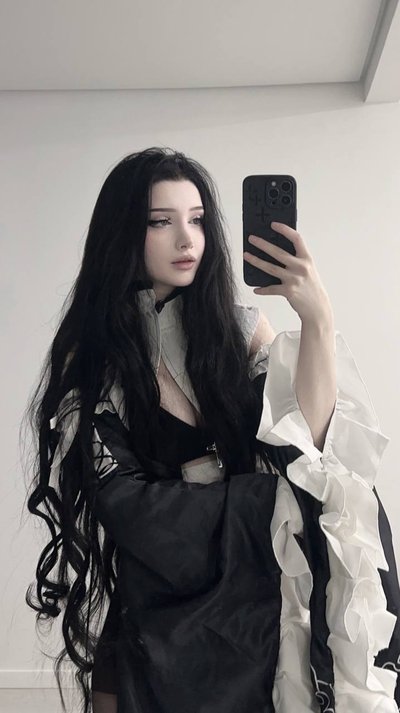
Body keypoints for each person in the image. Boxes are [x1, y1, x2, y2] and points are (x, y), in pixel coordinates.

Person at [23, 147, 400, 713]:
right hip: (157, 623)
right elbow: (127, 508)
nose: (187, 239)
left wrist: (317, 318)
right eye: (161, 221)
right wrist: (266, 500)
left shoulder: (238, 329)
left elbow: (318, 454)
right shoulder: (94, 359)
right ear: (122, 234)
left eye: (197, 219)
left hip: (259, 623)